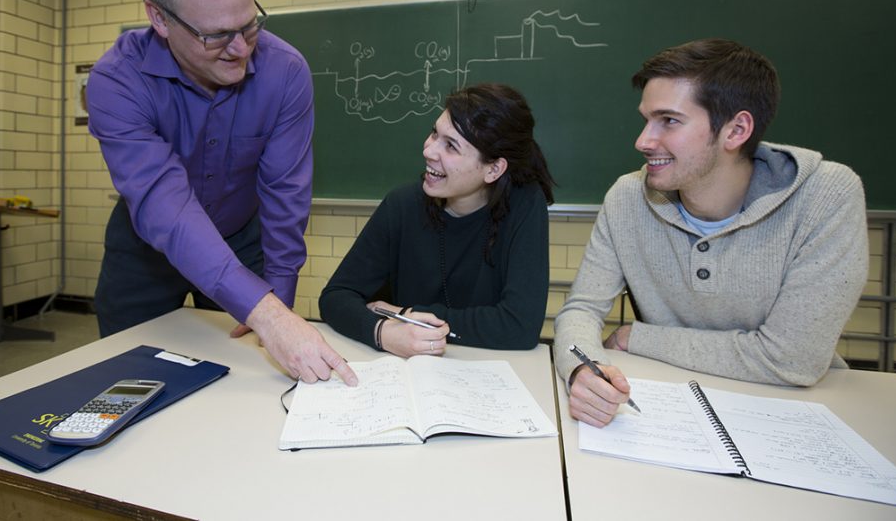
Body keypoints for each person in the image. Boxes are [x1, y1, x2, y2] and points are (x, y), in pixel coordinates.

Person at [87, 0, 356, 386]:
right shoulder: (116, 82)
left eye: (250, 25)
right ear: (159, 17)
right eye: (216, 36)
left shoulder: (285, 72)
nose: (241, 51)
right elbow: (164, 206)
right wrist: (268, 315)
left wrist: (279, 301)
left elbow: (285, 192)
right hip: (146, 249)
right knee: (129, 378)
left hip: (242, 237)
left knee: (249, 378)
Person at [555, 38, 868, 427]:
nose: (643, 141)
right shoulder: (627, 197)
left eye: (668, 120)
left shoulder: (827, 196)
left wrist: (638, 338)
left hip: (795, 412)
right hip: (665, 405)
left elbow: (793, 361)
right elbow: (581, 311)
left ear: (736, 131)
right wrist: (583, 371)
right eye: (645, 120)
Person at [319, 83, 555, 357]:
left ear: (493, 169)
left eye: (451, 146)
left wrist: (409, 315)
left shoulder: (524, 206)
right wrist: (383, 333)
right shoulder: (402, 205)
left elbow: (519, 327)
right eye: (434, 133)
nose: (428, 151)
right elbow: (335, 298)